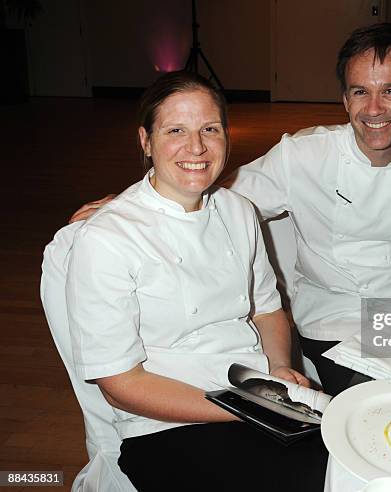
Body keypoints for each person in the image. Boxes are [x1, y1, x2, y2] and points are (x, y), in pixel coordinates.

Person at [70, 23, 391, 396]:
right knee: (387, 403)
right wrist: (125, 202)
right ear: (344, 99)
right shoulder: (303, 155)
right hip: (336, 312)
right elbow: (211, 187)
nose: (374, 108)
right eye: (361, 91)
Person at [65, 71, 327, 491]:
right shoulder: (108, 239)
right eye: (176, 130)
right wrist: (248, 407)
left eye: (210, 129)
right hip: (165, 424)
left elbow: (268, 309)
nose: (197, 147)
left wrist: (279, 367)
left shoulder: (239, 209)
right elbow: (120, 386)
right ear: (145, 141)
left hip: (253, 390)